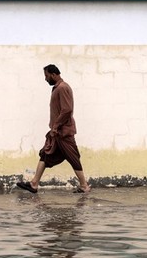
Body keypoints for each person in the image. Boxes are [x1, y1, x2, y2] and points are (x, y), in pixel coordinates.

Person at [17, 65, 91, 194]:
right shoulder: (58, 88)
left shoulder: (62, 88)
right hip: (57, 133)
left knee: (73, 158)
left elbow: (67, 110)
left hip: (63, 132)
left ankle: (84, 186)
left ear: (53, 74)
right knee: (46, 154)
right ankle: (34, 184)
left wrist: (56, 126)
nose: (45, 79)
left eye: (46, 76)